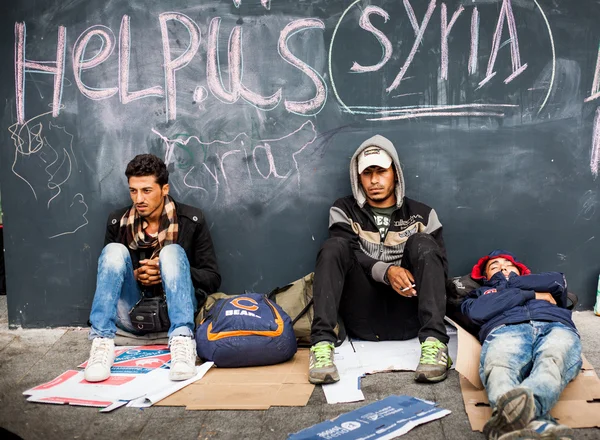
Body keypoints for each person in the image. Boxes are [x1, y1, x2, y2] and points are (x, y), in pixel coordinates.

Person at [308, 134, 451, 385]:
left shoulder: (423, 214)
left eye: (381, 171)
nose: (374, 180)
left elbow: (438, 271)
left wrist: (406, 276)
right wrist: (387, 271)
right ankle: (321, 346)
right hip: (362, 317)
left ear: (395, 173)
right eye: (367, 173)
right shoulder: (343, 209)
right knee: (334, 247)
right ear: (358, 177)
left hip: (408, 316)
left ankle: (435, 344)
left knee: (423, 243)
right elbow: (350, 252)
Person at [84, 154, 221, 382]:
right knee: (113, 252)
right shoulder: (117, 222)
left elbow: (212, 278)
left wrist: (165, 275)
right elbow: (111, 275)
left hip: (173, 311)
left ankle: (182, 341)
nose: (139, 199)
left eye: (146, 190)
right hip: (130, 313)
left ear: (164, 189)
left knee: (172, 253)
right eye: (133, 191)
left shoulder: (191, 220)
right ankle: (101, 342)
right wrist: (135, 275)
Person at [461, 250, 581, 440]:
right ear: (485, 277)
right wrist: (531, 294)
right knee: (500, 366)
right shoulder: (479, 293)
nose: (502, 267)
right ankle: (538, 425)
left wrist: (513, 281)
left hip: (554, 324)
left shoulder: (539, 280)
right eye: (494, 267)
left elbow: (558, 280)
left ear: (519, 269)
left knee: (553, 361)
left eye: (508, 264)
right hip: (506, 328)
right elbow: (478, 312)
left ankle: (507, 422)